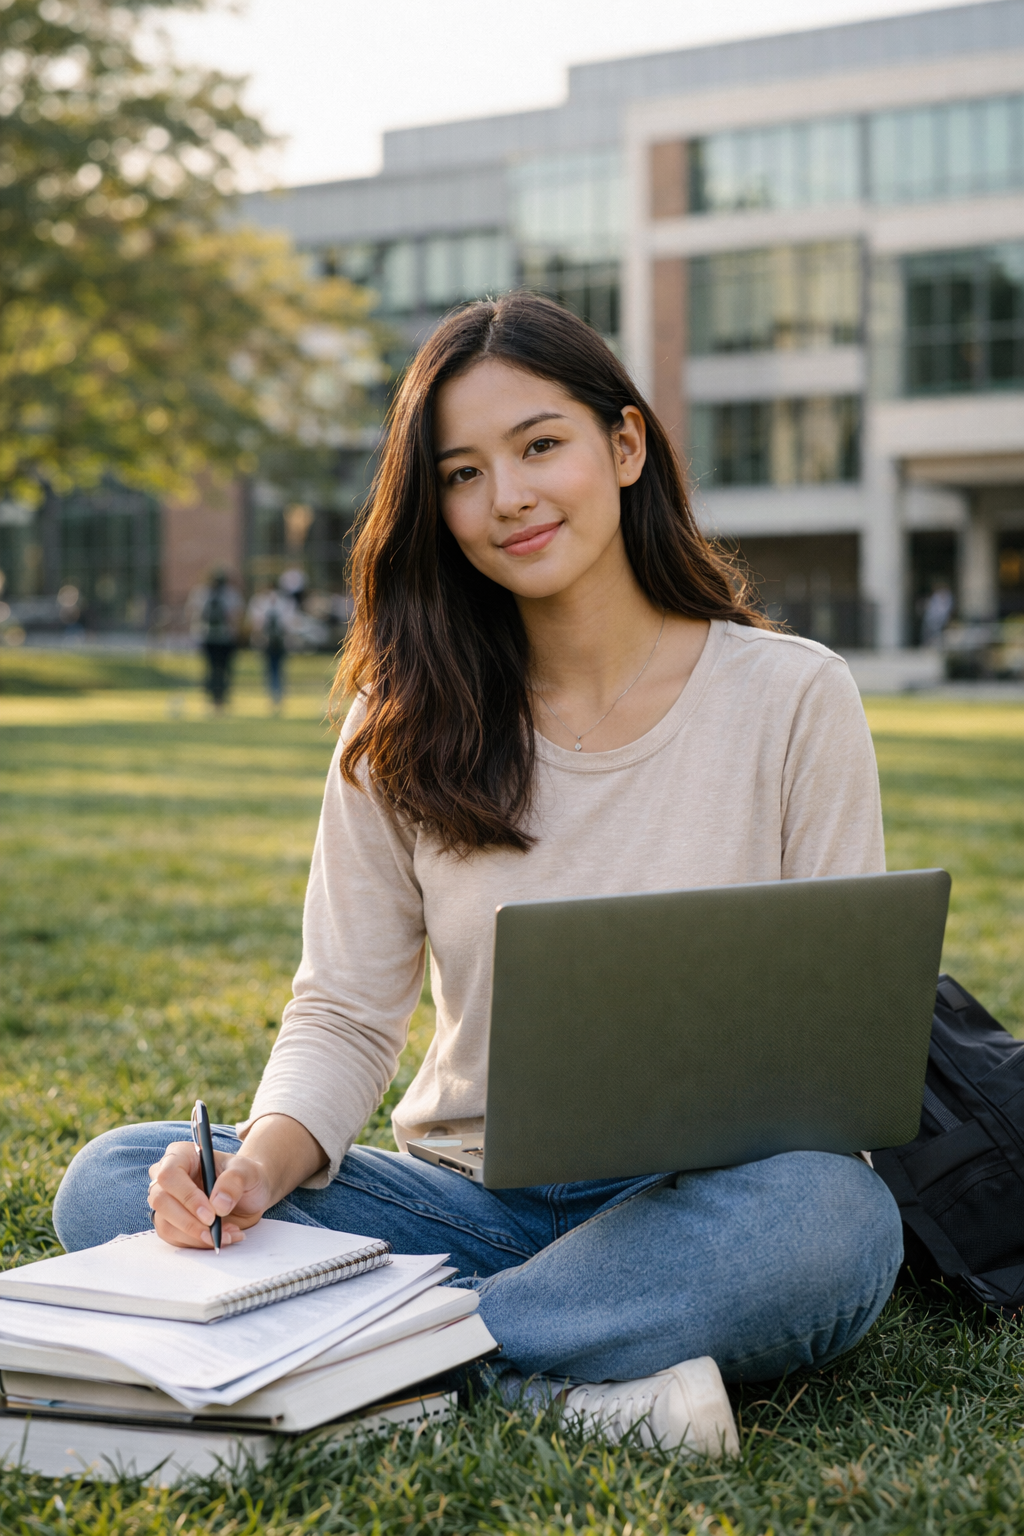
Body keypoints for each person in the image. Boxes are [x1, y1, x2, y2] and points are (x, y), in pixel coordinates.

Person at [54, 294, 901, 1456]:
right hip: (469, 1206)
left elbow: (830, 1062)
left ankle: (383, 1368)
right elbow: (345, 1010)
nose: (505, 498)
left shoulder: (796, 696)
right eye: (461, 471)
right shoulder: (401, 720)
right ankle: (546, 1372)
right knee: (110, 1184)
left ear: (625, 444)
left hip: (704, 1207)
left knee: (834, 1219)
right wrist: (255, 1162)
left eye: (539, 445)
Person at [248, 580, 295, 714]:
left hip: (269, 642)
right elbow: (289, 623)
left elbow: (257, 624)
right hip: (278, 642)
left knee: (271, 669)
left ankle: (274, 696)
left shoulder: (260, 603)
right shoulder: (284, 603)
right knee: (277, 669)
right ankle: (277, 696)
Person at [198, 571, 241, 712]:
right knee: (223, 669)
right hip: (225, 638)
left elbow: (195, 613)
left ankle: (214, 699)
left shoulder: (202, 594)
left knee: (212, 669)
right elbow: (235, 615)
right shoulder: (230, 595)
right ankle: (220, 698)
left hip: (208, 637)